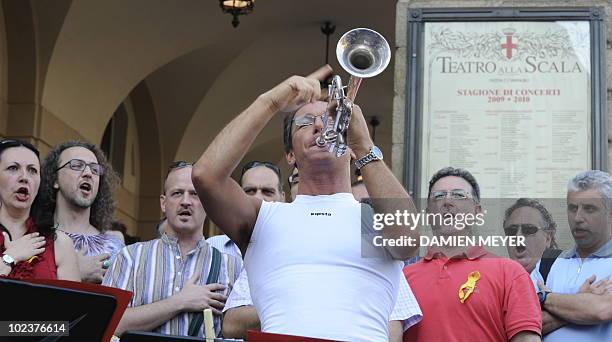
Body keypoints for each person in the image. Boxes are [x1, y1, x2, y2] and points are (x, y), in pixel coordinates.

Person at [192, 66, 421, 341]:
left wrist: (363, 143)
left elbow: (408, 239)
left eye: (331, 121)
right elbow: (206, 176)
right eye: (305, 122)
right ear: (289, 154)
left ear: (347, 144)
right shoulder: (263, 217)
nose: (319, 125)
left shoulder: (373, 219)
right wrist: (272, 101)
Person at [103, 161, 241, 338]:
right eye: (177, 193)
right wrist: (179, 301)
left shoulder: (231, 266)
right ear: (163, 203)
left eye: (195, 194)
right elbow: (107, 323)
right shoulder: (130, 258)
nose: (185, 201)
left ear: (207, 202)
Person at [403, 167, 541, 342]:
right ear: (429, 212)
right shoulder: (404, 277)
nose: (447, 201)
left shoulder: (510, 272)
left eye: (459, 195)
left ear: (477, 211)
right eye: (438, 196)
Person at [537, 170, 612, 341]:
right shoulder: (547, 263)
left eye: (589, 208)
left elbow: (602, 310)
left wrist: (544, 297)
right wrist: (582, 301)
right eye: (572, 208)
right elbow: (527, 323)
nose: (578, 218)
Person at [37, 141, 124, 283]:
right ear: (55, 179)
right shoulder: (36, 239)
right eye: (77, 166)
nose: (88, 173)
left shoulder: (115, 242)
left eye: (95, 169)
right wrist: (75, 272)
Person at [0, 139, 80, 280]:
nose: (24, 177)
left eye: (32, 170)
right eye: (13, 168)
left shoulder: (60, 244)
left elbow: (73, 302)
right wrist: (10, 258)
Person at [207, 160, 285, 259]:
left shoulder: (297, 247)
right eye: (250, 191)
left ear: (282, 198)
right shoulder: (213, 249)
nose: (258, 198)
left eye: (267, 191)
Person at [504, 198, 560, 288]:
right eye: (512, 231)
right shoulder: (498, 281)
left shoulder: (566, 276)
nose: (518, 236)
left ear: (548, 239)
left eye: (529, 229)